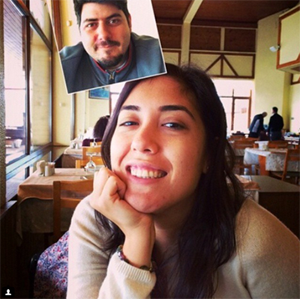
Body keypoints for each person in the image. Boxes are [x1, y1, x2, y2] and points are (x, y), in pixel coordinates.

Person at [67, 64, 300, 299]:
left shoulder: (257, 240)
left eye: (172, 124)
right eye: (129, 122)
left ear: (208, 154)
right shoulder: (94, 219)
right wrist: (136, 242)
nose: (141, 141)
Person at [60, 0, 166, 94]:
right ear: (80, 31)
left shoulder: (158, 56)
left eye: (113, 21)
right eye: (91, 25)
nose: (104, 35)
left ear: (129, 22)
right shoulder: (63, 65)